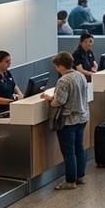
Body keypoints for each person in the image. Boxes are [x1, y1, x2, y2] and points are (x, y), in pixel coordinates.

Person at [42, 51, 90, 190]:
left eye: (56, 66)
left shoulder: (63, 80)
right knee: (79, 148)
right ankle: (80, 176)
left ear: (60, 66)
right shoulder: (80, 75)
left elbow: (59, 102)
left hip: (68, 120)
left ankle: (70, 181)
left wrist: (51, 100)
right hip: (82, 117)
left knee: (69, 152)